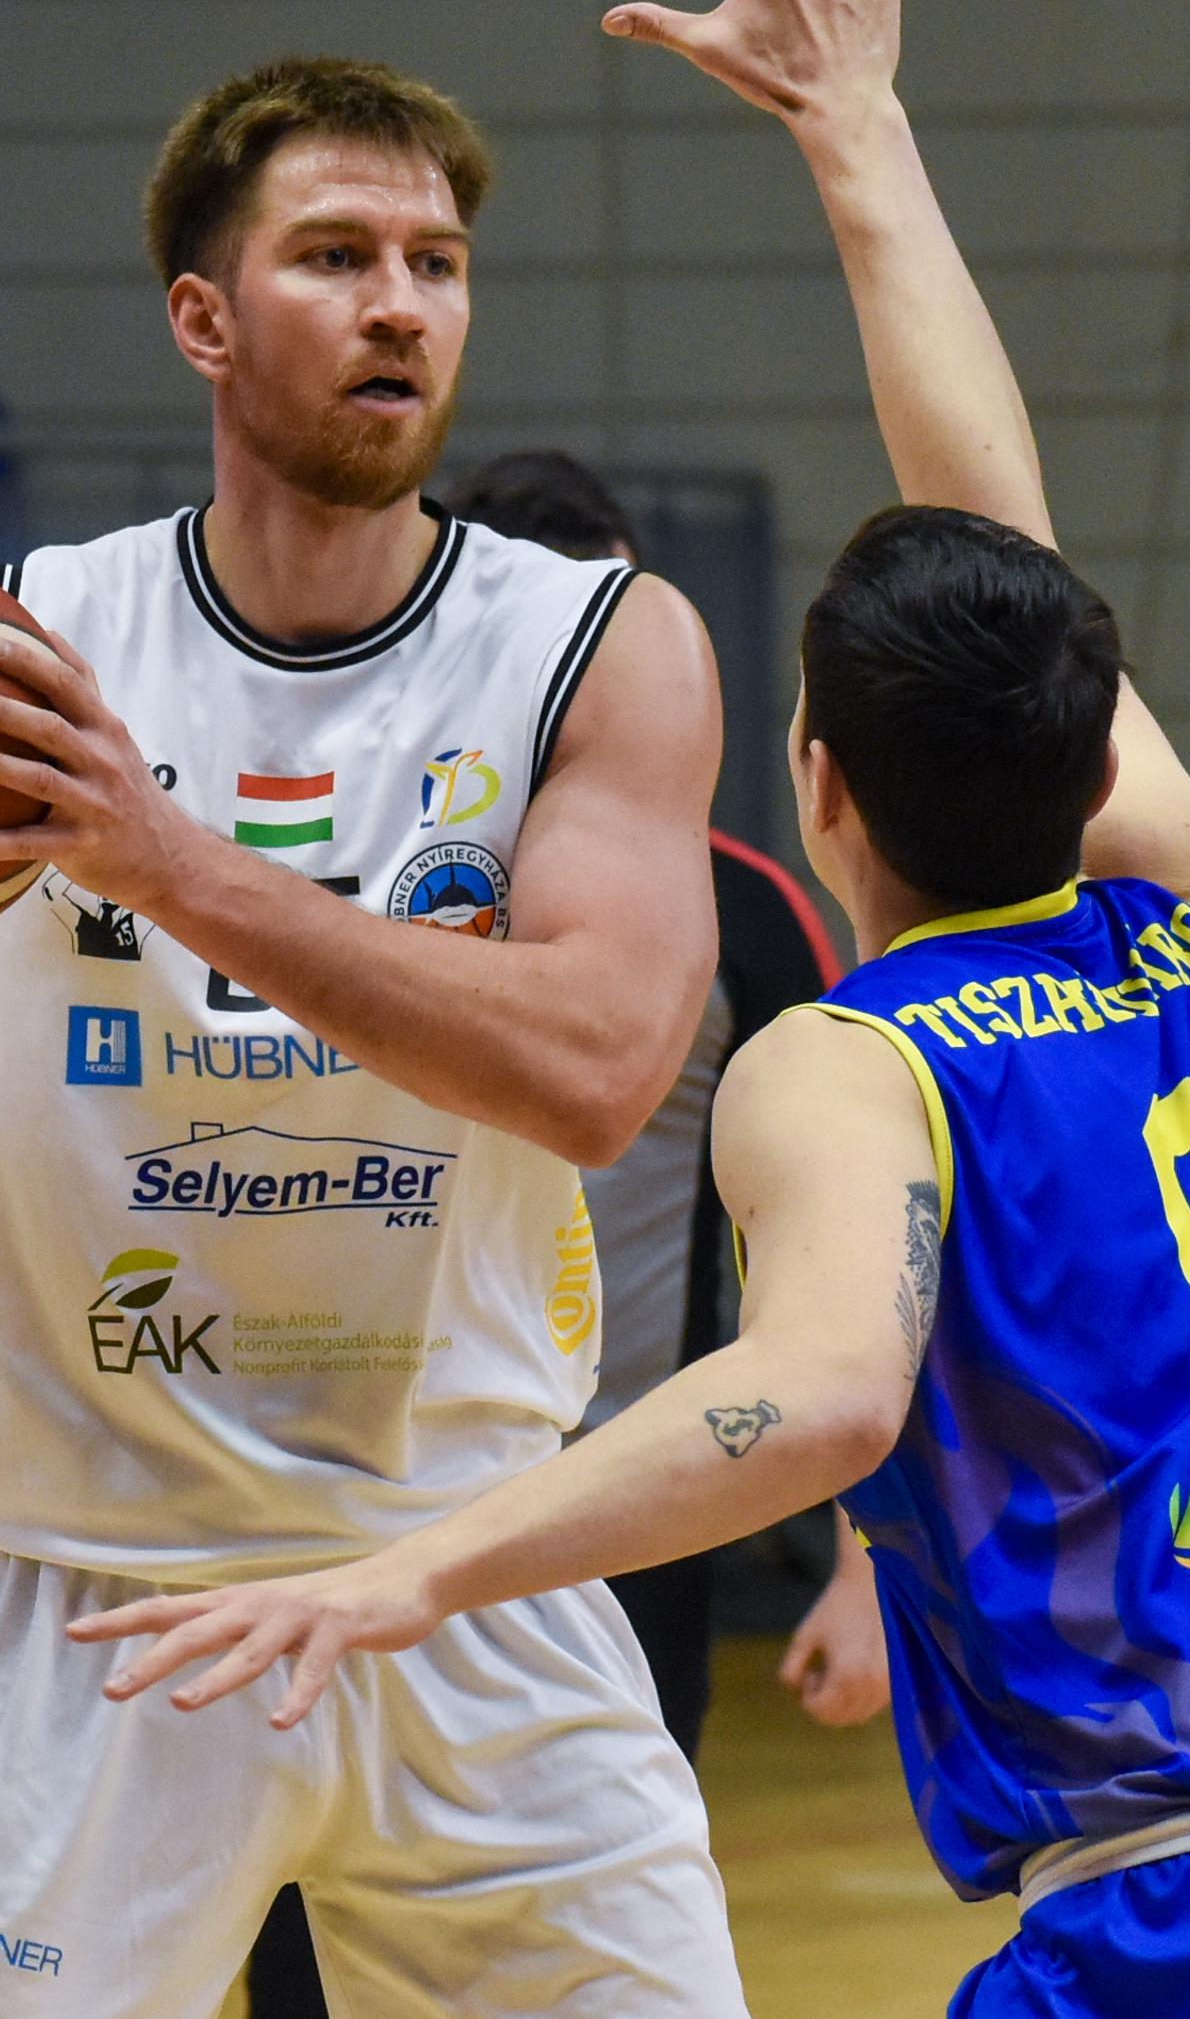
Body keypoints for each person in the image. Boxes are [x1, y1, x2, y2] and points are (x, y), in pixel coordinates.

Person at [72, 0, 1190, 2019]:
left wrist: (409, 1571)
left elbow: (811, 1398)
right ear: (1088, 756)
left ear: (811, 783)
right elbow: (1009, 541)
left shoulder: (846, 1061)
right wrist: (855, 127)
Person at [0, 59, 755, 2019]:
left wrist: (167, 863)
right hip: (92, 1596)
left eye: (435, 262)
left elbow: (596, 1069)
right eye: (336, 256)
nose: (400, 303)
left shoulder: (593, 641)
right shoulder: (11, 653)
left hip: (469, 1578)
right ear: (203, 319)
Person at [242, 446, 867, 2019]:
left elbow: (847, 1252)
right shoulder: (320, 876)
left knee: (581, 1955)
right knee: (297, 1948)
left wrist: (866, 1563)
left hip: (616, 1510)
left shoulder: (742, 913)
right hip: (330, 1496)